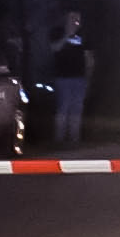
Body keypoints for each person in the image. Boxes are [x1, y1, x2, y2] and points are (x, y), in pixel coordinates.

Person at [42, 9, 92, 149]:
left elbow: (88, 57)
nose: (75, 22)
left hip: (79, 78)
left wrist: (88, 77)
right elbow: (54, 49)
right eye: (72, 18)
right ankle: (59, 140)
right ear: (66, 19)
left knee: (77, 109)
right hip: (63, 78)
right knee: (63, 108)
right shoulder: (57, 32)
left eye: (78, 19)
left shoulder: (83, 35)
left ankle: (74, 140)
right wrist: (67, 36)